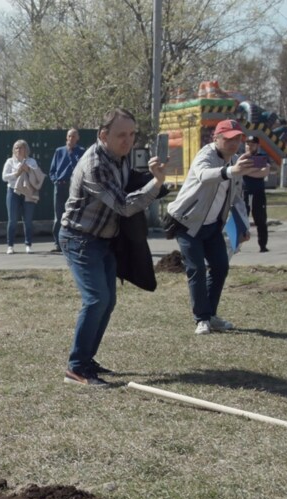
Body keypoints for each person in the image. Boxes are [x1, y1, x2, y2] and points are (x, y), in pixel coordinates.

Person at [59, 108, 166, 386]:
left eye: (132, 134)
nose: (128, 141)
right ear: (103, 135)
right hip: (79, 239)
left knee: (107, 301)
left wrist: (153, 182)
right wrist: (155, 185)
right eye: (121, 135)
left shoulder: (119, 156)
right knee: (96, 300)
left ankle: (86, 359)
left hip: (103, 239)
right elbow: (123, 205)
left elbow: (128, 181)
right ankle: (77, 369)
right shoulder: (95, 165)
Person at [165, 119, 257, 335]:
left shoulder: (235, 161)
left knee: (220, 267)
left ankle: (211, 315)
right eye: (228, 138)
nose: (233, 143)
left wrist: (244, 226)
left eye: (237, 138)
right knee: (196, 268)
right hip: (187, 222)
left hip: (213, 225)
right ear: (216, 138)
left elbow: (237, 198)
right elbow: (204, 176)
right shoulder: (205, 155)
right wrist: (230, 170)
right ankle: (202, 319)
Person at [2, 140, 44, 254]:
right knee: (12, 220)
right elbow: (4, 177)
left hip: (28, 192)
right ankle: (10, 245)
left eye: (21, 148)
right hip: (13, 191)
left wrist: (28, 170)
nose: (18, 150)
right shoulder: (10, 161)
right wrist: (16, 173)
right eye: (16, 148)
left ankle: (28, 244)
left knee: (28, 220)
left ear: (26, 149)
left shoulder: (32, 161)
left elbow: (36, 176)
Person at [48, 129, 85, 253]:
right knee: (58, 215)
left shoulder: (81, 152)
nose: (71, 138)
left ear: (78, 138)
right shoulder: (59, 151)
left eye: (74, 136)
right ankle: (57, 243)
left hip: (74, 186)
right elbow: (52, 170)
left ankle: (74, 242)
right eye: (69, 136)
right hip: (61, 185)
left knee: (74, 214)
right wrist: (55, 181)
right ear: (66, 137)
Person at [241, 136, 273, 252]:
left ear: (257, 146)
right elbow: (238, 171)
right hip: (244, 192)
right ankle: (236, 245)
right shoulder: (241, 158)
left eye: (253, 144)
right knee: (241, 218)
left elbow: (264, 172)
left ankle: (263, 246)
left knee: (261, 220)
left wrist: (246, 171)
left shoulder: (262, 157)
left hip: (258, 193)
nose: (250, 146)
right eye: (248, 144)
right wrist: (255, 169)